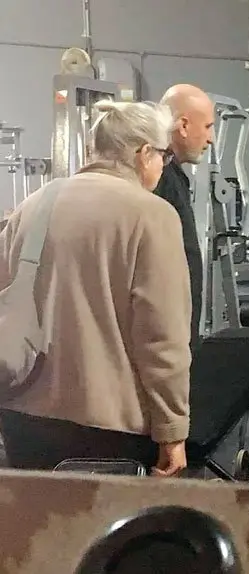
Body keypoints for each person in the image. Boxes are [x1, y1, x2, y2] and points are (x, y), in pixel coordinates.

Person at [0, 101, 191, 477]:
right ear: (144, 154)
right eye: (163, 157)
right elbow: (161, 336)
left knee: (35, 514)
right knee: (108, 517)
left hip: (22, 412)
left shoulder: (34, 204)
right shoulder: (152, 215)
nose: (163, 166)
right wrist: (172, 429)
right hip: (108, 424)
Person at [154, 84, 215, 350]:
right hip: (165, 335)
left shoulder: (173, 177)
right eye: (208, 127)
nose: (210, 139)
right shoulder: (158, 179)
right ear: (184, 126)